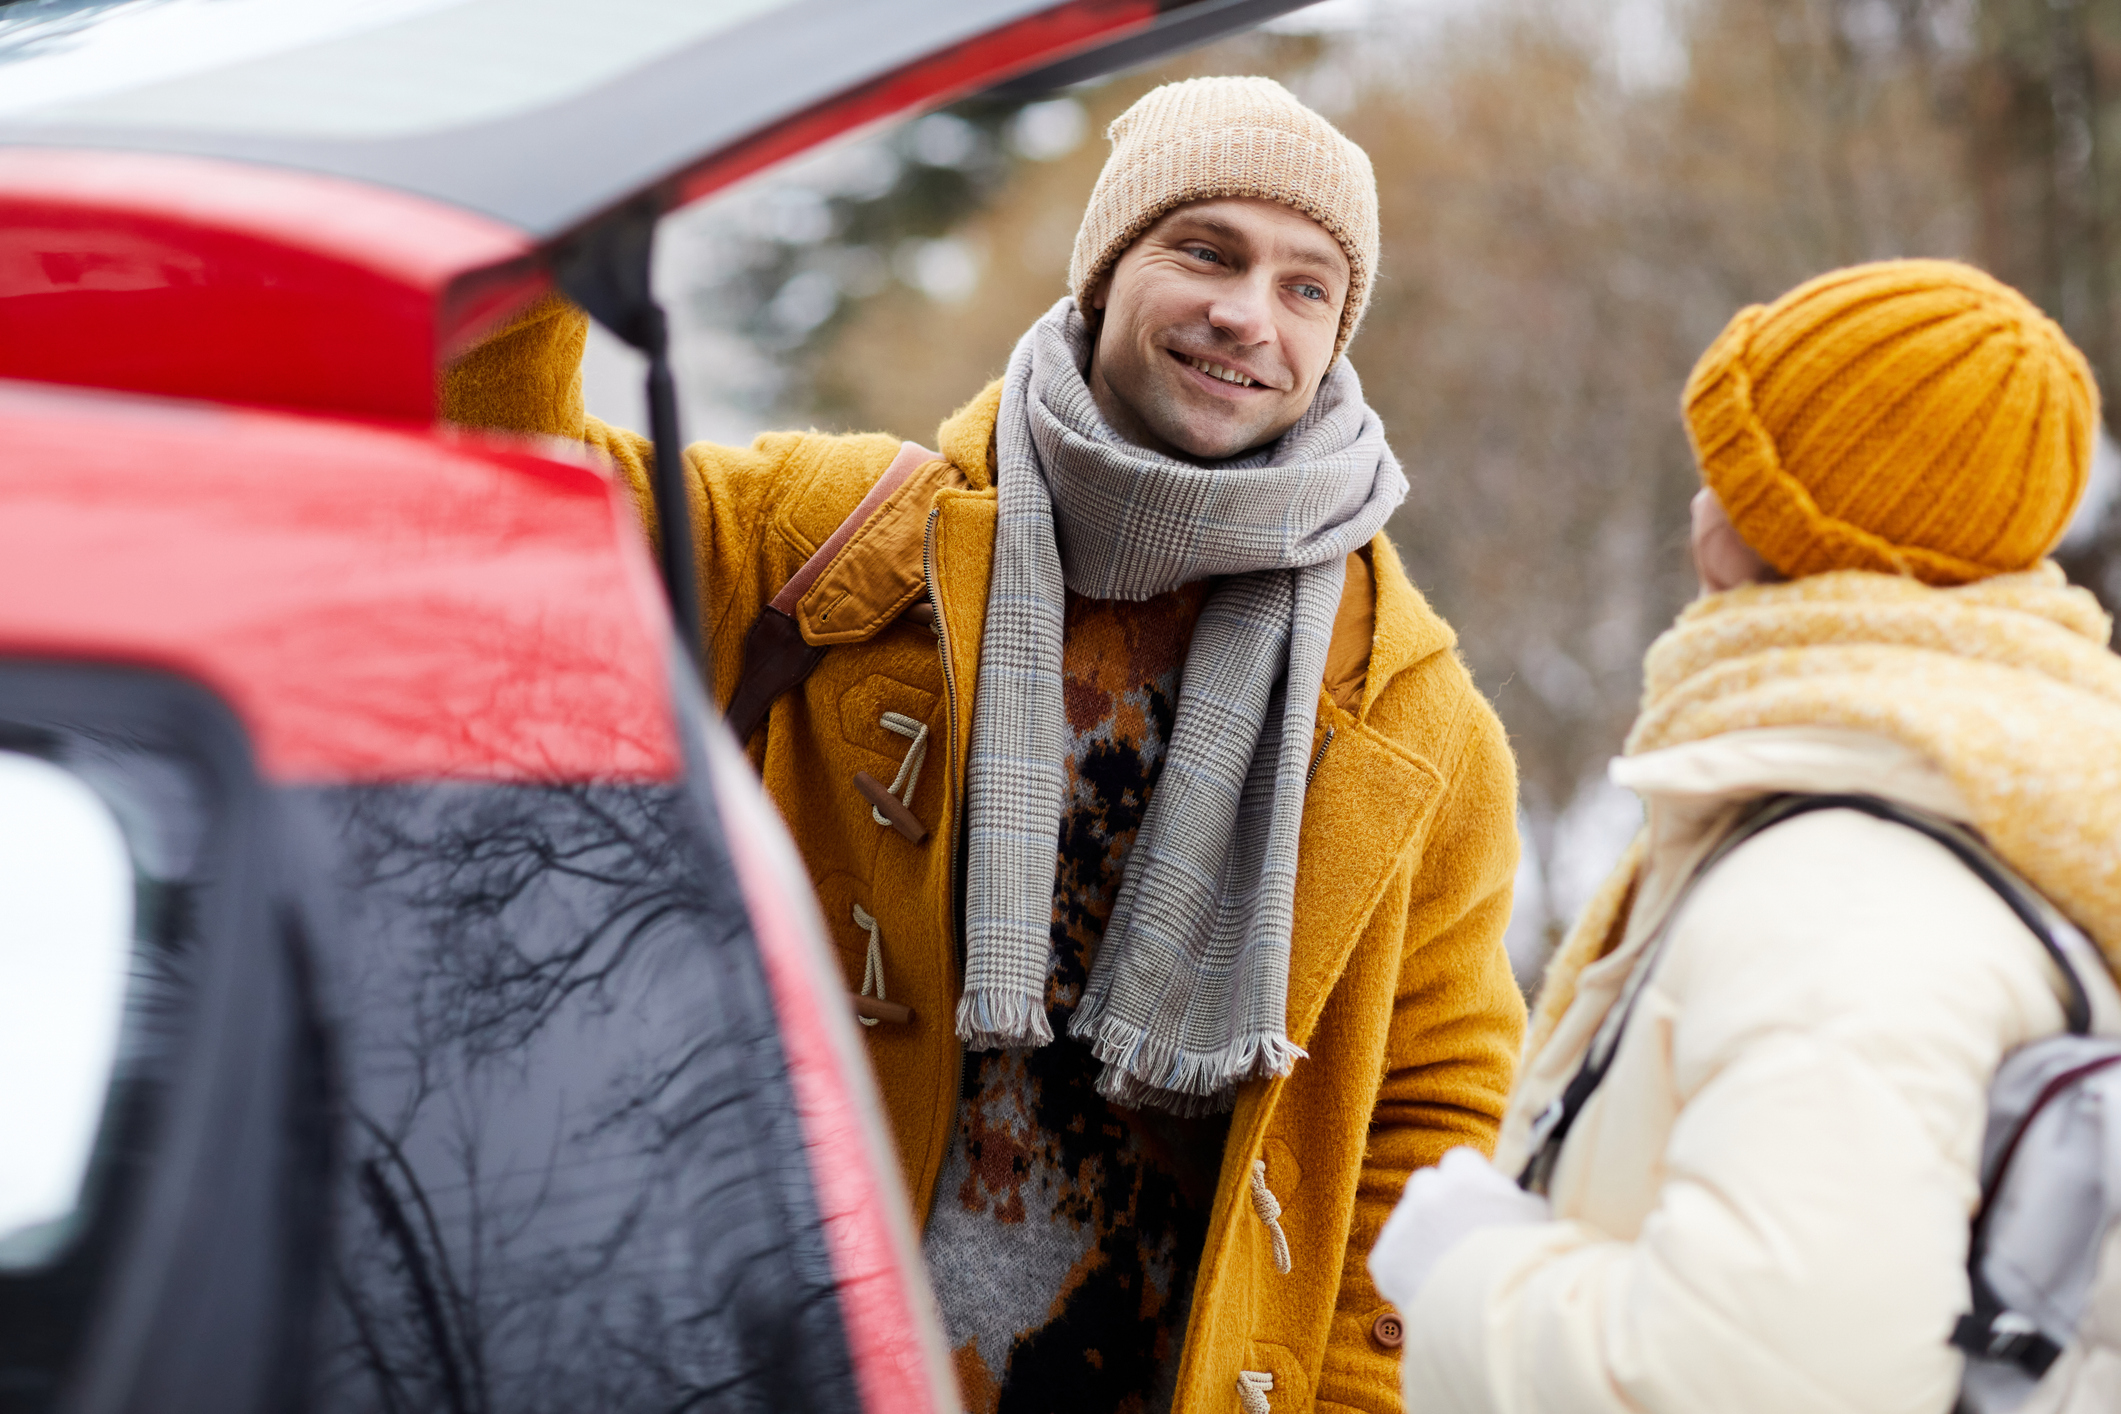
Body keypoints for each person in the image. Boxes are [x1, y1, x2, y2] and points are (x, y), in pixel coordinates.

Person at [447, 77, 1527, 1414]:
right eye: (1206, 250)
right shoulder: (841, 541)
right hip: (800, 1363)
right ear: (1104, 269)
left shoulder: (1410, 715)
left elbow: (1434, 1117)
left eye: (1308, 286)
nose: (1250, 314)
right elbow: (501, 492)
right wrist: (561, 192)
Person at [1368, 258, 2121, 1414]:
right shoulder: (1979, 800)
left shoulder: (1843, 903)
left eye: (1724, 465)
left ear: (1764, 524)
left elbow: (1760, 1381)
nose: (1696, 501)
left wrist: (1470, 1270)